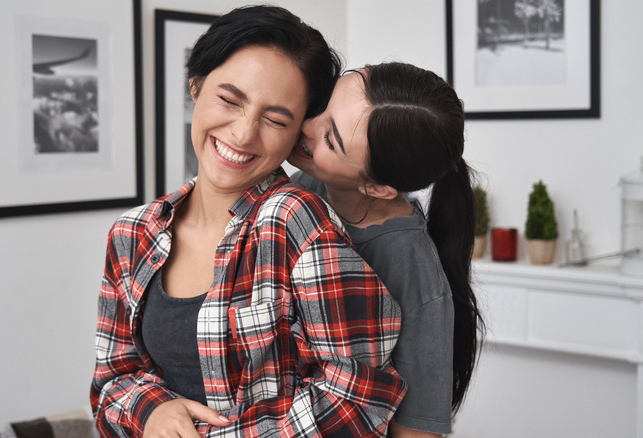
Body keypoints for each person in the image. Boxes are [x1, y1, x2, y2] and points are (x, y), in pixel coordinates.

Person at [90, 6, 406, 438]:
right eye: (229, 99)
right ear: (196, 84)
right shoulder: (132, 234)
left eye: (275, 119)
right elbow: (111, 380)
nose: (242, 134)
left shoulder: (292, 221)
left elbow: (359, 395)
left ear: (298, 135)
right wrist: (151, 413)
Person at [288, 62, 484, 437]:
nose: (307, 124)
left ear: (378, 188)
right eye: (326, 103)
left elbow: (416, 431)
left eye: (331, 139)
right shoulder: (305, 187)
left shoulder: (412, 270)